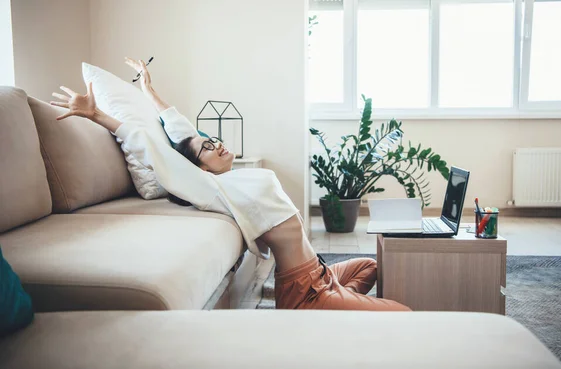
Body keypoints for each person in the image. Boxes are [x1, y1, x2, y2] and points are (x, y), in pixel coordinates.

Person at [50, 57, 410, 312]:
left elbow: (183, 133)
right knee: (403, 315)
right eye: (208, 148)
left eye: (211, 140)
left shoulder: (232, 176)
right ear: (198, 168)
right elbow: (158, 151)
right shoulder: (208, 187)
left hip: (322, 274)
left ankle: (334, 323)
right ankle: (315, 318)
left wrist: (149, 88)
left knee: (370, 265)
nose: (215, 143)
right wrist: (97, 114)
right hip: (306, 292)